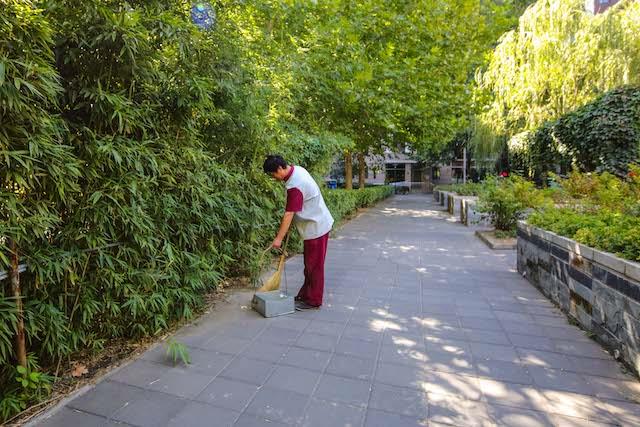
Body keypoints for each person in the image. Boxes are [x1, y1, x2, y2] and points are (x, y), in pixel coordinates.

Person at [263, 155, 334, 310]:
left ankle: (314, 300)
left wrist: (278, 239)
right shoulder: (297, 170)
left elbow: (289, 214)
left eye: (273, 174)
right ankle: (305, 294)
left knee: (314, 266)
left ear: (280, 168)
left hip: (316, 228)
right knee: (309, 264)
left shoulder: (295, 186)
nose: (274, 178)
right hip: (316, 223)